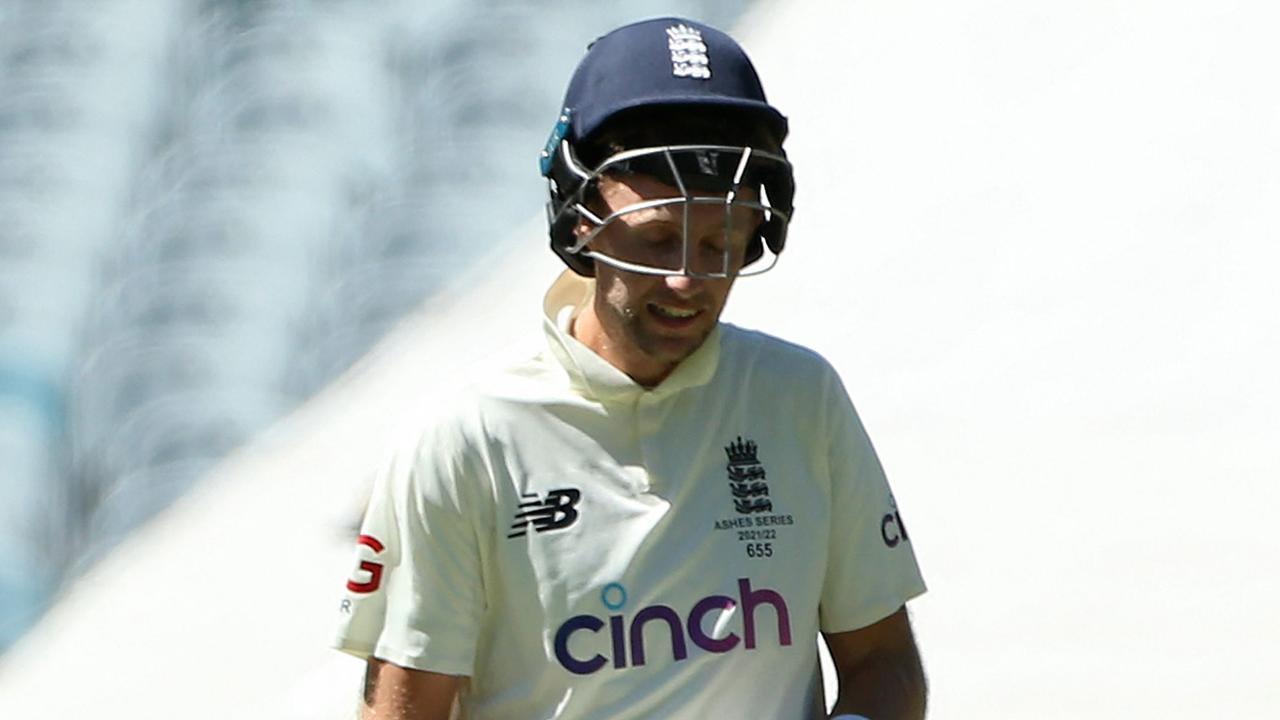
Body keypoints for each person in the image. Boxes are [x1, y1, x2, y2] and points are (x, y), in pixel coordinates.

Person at [333, 17, 927, 720]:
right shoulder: (466, 438)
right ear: (580, 219)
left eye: (720, 243)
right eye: (654, 240)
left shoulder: (800, 397)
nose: (688, 281)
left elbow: (883, 663)